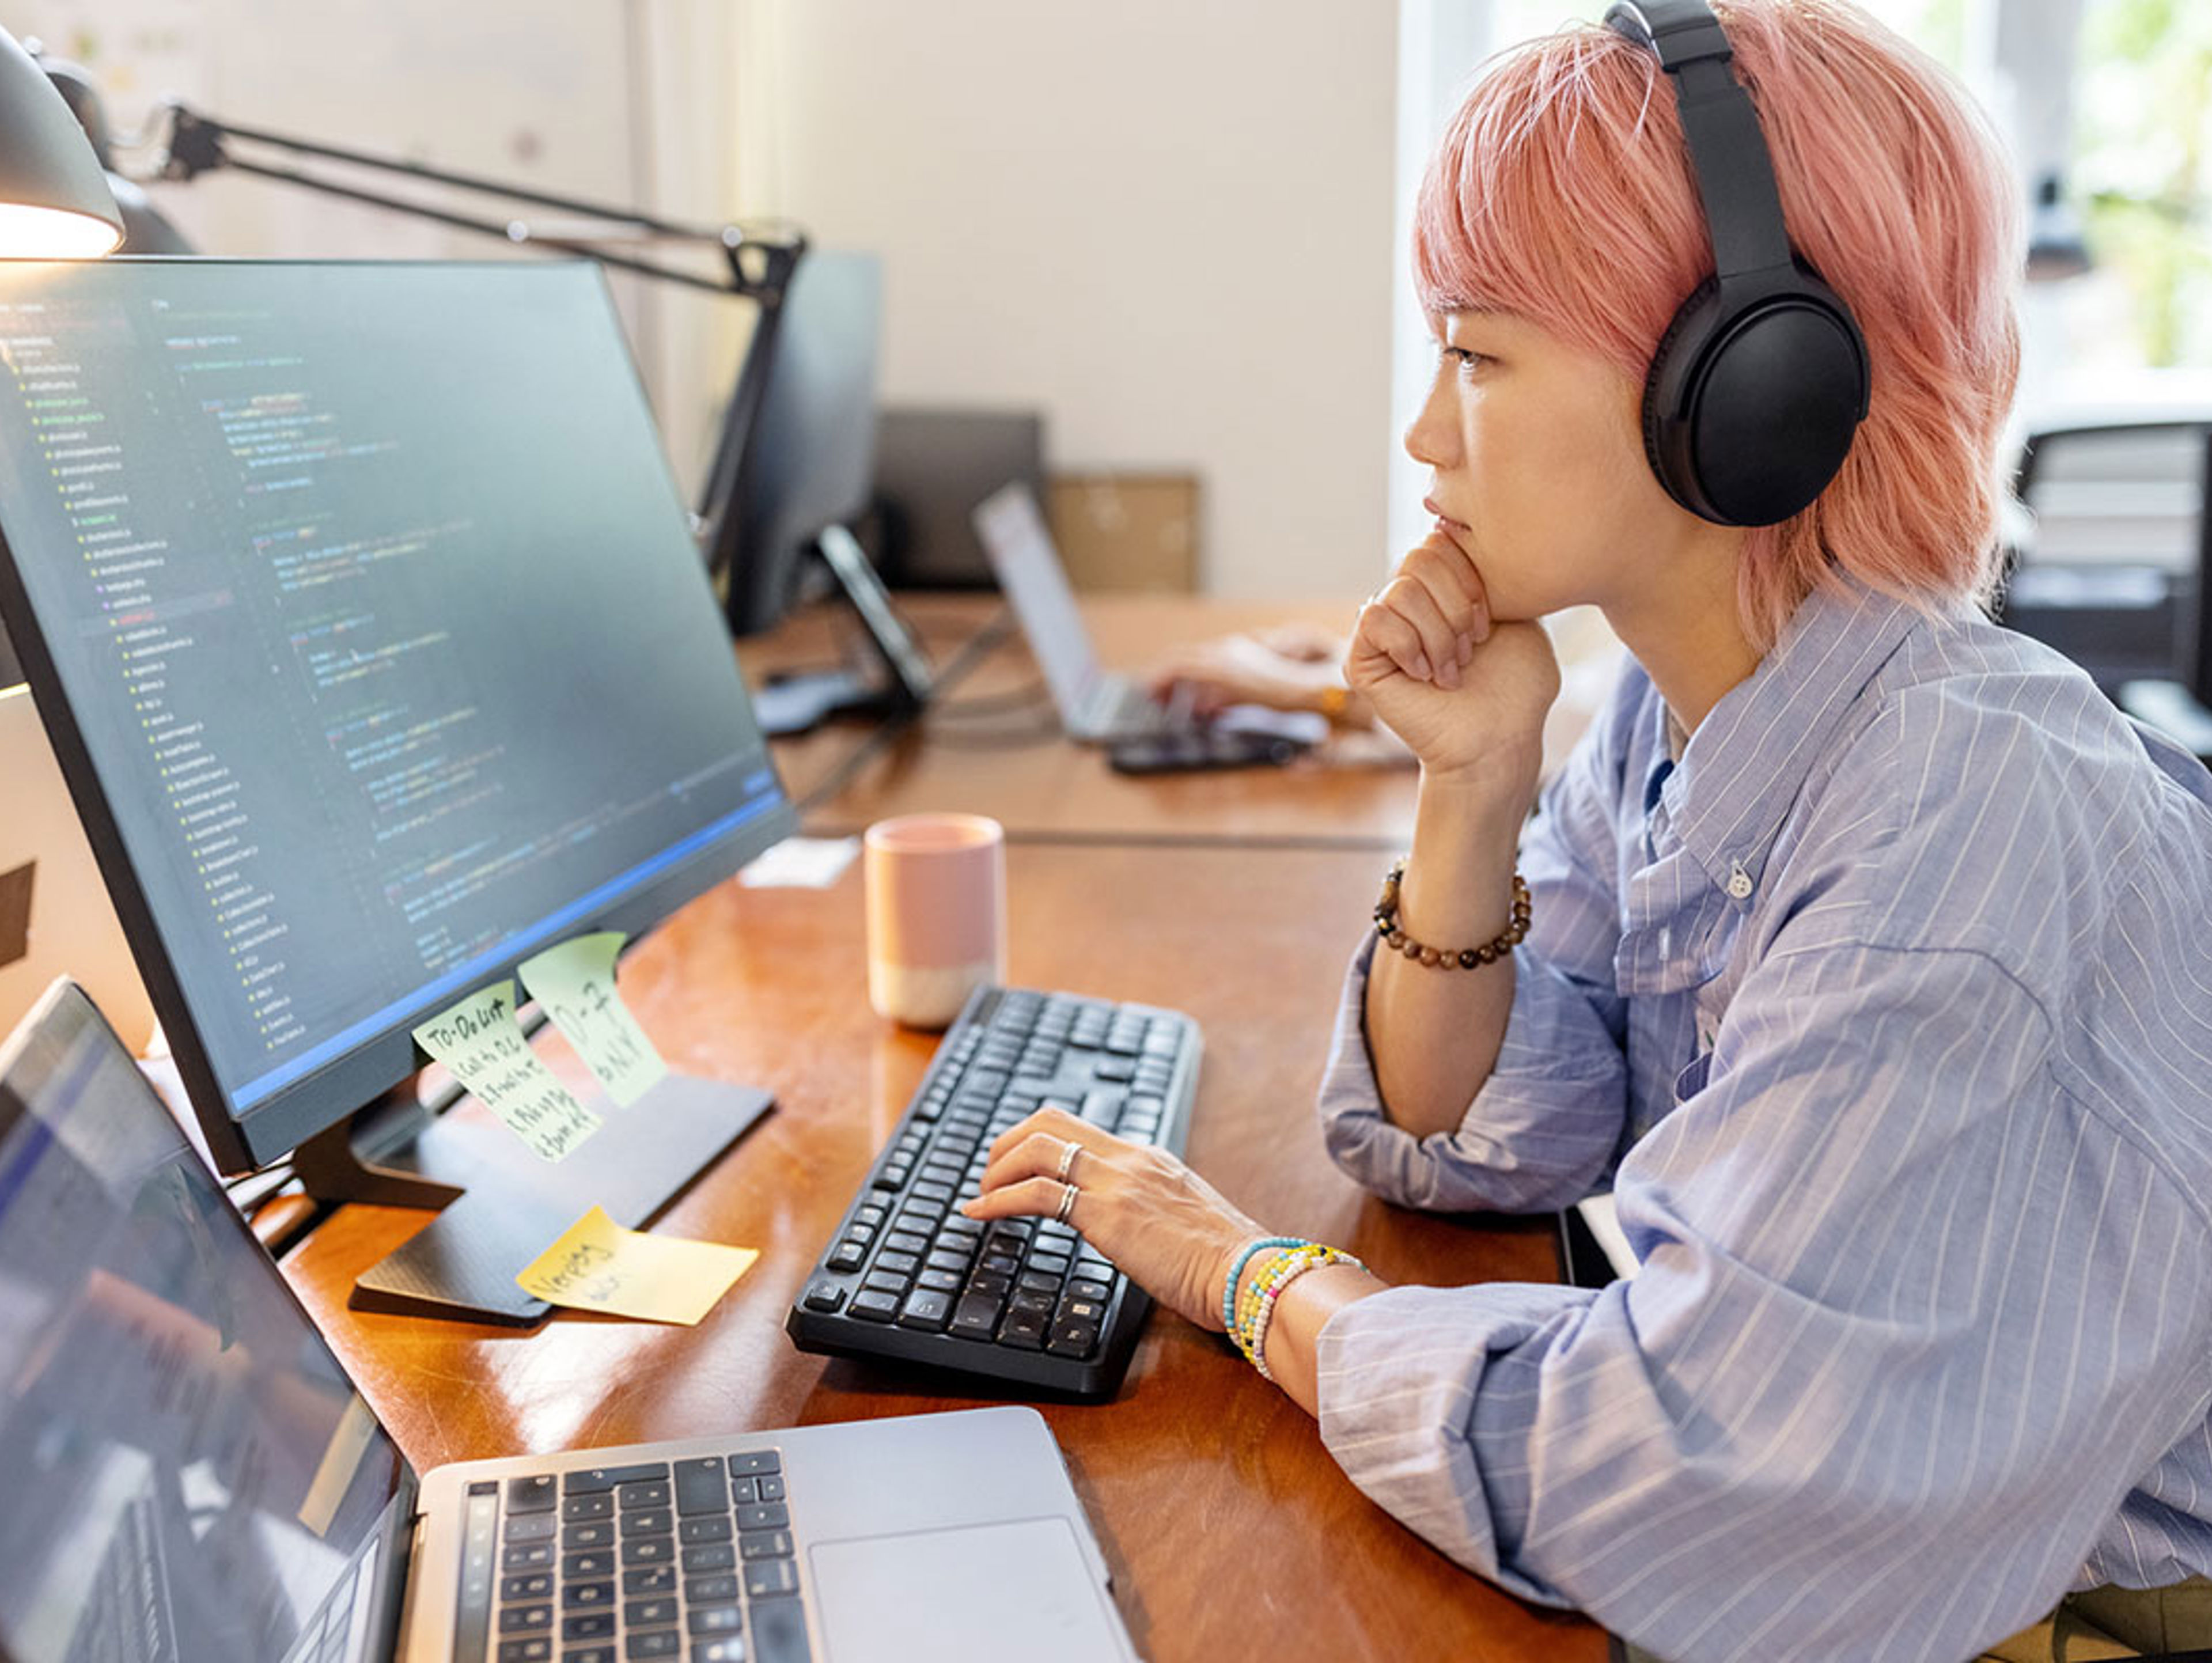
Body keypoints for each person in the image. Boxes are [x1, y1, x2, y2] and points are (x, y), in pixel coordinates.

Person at [964, 2, 2212, 1659]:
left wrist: (1243, 1278)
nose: (1425, 437)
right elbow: (1456, 1131)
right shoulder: (1666, 712)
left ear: (1752, 388)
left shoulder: (1960, 820)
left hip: (2094, 1606)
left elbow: (1671, 1482)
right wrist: (1473, 781)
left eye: (1477, 357)